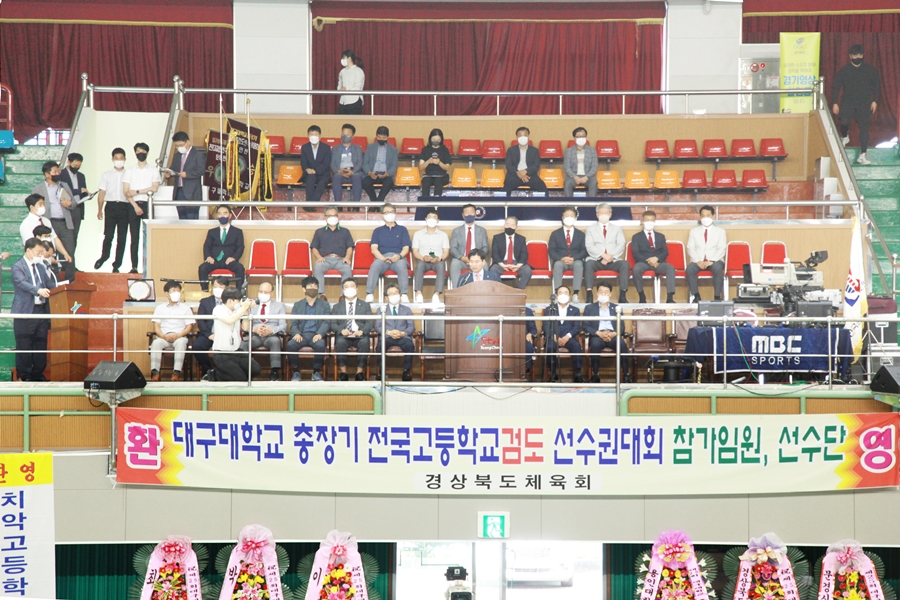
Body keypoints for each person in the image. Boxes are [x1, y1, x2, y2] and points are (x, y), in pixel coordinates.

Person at [11, 238, 53, 382]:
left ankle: (38, 374)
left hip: (41, 310)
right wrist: (38, 290)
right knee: (24, 344)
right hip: (25, 311)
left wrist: (63, 287)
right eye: (38, 252)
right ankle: (25, 375)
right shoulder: (18, 266)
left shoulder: (41, 267)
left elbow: (49, 284)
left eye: (42, 253)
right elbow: (22, 283)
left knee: (41, 343)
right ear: (28, 250)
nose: (40, 255)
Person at [832, 44, 881, 165]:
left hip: (864, 103)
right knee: (844, 122)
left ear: (863, 55)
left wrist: (875, 101)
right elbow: (836, 87)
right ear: (850, 56)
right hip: (847, 102)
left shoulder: (870, 69)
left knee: (864, 128)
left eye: (859, 55)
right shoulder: (844, 70)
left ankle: (863, 155)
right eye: (855, 55)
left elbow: (876, 86)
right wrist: (835, 103)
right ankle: (845, 136)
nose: (857, 57)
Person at [95, 148, 139, 273]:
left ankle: (117, 264)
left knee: (122, 237)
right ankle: (104, 257)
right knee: (108, 235)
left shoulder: (129, 174)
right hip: (111, 206)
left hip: (125, 207)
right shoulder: (106, 175)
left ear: (125, 159)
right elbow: (102, 193)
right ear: (112, 159)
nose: (119, 161)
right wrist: (99, 209)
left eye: (121, 158)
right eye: (116, 158)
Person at [32, 161, 77, 271]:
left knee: (69, 250)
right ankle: (54, 276)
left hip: (65, 223)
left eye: (58, 171)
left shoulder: (64, 185)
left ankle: (69, 277)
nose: (58, 174)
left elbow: (74, 202)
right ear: (47, 174)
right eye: (55, 172)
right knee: (50, 250)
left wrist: (70, 204)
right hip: (49, 223)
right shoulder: (38, 189)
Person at [122, 142, 160, 273]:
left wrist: (137, 191)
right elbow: (126, 192)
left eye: (143, 151)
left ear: (147, 153)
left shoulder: (153, 170)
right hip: (133, 205)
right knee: (134, 237)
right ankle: (134, 266)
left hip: (148, 204)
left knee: (149, 237)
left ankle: (149, 266)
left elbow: (155, 188)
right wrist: (135, 206)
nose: (141, 153)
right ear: (135, 153)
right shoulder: (129, 171)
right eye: (138, 151)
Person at [208, 287, 260, 382]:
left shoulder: (237, 311)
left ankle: (227, 374)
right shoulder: (218, 309)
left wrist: (246, 311)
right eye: (238, 301)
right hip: (222, 354)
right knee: (241, 379)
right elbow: (229, 320)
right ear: (230, 301)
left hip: (237, 351)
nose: (240, 303)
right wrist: (242, 308)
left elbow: (245, 328)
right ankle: (215, 375)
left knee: (255, 369)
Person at [238, 281, 285, 381]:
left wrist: (271, 330)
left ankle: (274, 372)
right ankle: (245, 370)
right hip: (255, 335)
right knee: (244, 343)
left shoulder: (279, 306)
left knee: (275, 341)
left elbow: (283, 325)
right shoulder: (251, 305)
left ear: (271, 293)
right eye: (261, 291)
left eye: (266, 292)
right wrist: (254, 329)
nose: (263, 294)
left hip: (271, 336)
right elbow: (245, 324)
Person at [582, 281, 628, 383]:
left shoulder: (617, 308)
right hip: (597, 335)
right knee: (595, 345)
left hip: (613, 334)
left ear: (610, 294)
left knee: (621, 344)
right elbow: (585, 326)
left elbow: (621, 326)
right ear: (597, 293)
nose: (603, 294)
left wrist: (614, 333)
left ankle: (626, 375)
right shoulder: (589, 308)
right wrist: (598, 333)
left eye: (606, 292)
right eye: (601, 292)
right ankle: (595, 374)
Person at [149, 280, 195, 382]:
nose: (177, 293)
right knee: (155, 343)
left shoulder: (186, 308)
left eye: (178, 291)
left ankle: (176, 374)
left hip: (180, 336)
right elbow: (157, 327)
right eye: (174, 290)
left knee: (181, 343)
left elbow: (189, 327)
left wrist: (178, 335)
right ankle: (155, 373)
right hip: (164, 337)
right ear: (167, 293)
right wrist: (163, 336)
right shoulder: (160, 308)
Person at [286, 276, 330, 382]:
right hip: (301, 335)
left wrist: (320, 334)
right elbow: (294, 323)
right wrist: (296, 333)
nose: (313, 288)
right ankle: (296, 372)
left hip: (316, 334)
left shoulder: (324, 305)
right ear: (304, 289)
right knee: (291, 345)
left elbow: (327, 322)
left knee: (321, 345)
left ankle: (316, 372)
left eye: (315, 286)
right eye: (310, 286)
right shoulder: (298, 305)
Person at [585, 203, 630, 304]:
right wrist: (602, 255)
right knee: (588, 264)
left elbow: (621, 244)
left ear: (610, 214)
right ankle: (589, 295)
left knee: (625, 264)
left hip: (613, 260)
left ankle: (623, 295)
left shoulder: (617, 228)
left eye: (606, 213)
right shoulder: (590, 229)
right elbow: (589, 246)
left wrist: (610, 257)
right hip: (597, 260)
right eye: (601, 213)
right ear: (597, 214)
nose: (604, 215)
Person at [366, 204, 411, 302]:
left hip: (398, 258)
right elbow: (374, 249)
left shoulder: (402, 229)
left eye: (392, 212)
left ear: (395, 213)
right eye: (387, 212)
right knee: (375, 266)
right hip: (382, 258)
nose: (390, 214)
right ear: (382, 215)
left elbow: (406, 248)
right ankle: (370, 294)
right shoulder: (377, 231)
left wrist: (399, 256)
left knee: (402, 266)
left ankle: (404, 294)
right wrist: (382, 258)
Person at [20, 194, 72, 277]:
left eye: (43, 204)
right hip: (38, 262)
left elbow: (54, 238)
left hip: (51, 259)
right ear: (32, 207)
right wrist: (46, 257)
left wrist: (65, 253)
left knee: (55, 283)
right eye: (40, 204)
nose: (43, 206)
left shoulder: (46, 221)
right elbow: (32, 245)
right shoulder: (26, 224)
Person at [331, 278, 372, 381]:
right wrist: (341, 330)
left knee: (364, 343)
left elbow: (369, 322)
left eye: (352, 286)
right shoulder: (337, 307)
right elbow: (332, 323)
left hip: (360, 334)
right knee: (340, 343)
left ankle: (359, 373)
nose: (349, 288)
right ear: (343, 290)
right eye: (346, 287)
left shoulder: (365, 305)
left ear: (357, 289)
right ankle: (343, 373)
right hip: (344, 335)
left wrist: (362, 331)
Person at [631, 210, 676, 304]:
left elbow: (665, 252)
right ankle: (641, 296)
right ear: (642, 221)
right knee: (636, 269)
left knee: (670, 268)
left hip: (658, 263)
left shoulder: (660, 236)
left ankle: (670, 297)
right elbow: (636, 253)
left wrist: (656, 259)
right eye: (647, 220)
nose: (649, 222)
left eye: (651, 220)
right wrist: (649, 261)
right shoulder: (636, 237)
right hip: (643, 262)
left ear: (655, 221)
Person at [373, 283, 415, 381]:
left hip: (402, 337)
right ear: (386, 298)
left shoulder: (407, 310)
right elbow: (377, 326)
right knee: (380, 346)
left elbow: (411, 326)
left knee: (409, 345)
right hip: (388, 336)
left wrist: (403, 333)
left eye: (396, 293)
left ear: (400, 295)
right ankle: (381, 372)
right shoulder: (381, 310)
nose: (394, 295)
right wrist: (388, 332)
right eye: (391, 294)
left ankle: (406, 372)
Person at [198, 205, 245, 291]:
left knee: (240, 268)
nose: (222, 216)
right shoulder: (212, 232)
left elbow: (240, 247)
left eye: (225, 213)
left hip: (229, 261)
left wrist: (234, 258)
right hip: (215, 261)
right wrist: (208, 257)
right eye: (219, 214)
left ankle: (238, 292)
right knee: (202, 268)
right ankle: (205, 291)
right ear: (217, 216)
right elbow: (207, 245)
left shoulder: (237, 232)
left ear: (230, 215)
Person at [686, 205, 727, 302]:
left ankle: (717, 297)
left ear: (712, 216)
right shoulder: (693, 231)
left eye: (708, 215)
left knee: (717, 268)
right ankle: (696, 296)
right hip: (698, 260)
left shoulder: (720, 232)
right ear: (700, 217)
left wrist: (711, 261)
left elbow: (722, 248)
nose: (705, 218)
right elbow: (690, 247)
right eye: (703, 216)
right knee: (689, 269)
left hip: (715, 260)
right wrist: (698, 261)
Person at [543, 285, 583, 383]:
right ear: (556, 296)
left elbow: (576, 327)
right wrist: (554, 336)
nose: (563, 295)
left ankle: (577, 373)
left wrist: (567, 336)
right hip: (553, 337)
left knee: (576, 346)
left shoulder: (575, 310)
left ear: (569, 296)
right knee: (549, 347)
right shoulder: (550, 309)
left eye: (566, 293)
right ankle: (553, 373)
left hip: (569, 337)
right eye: (560, 293)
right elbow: (545, 326)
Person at [163, 131, 207, 220]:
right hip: (179, 191)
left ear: (188, 142)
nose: (179, 148)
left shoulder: (197, 155)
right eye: (177, 146)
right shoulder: (177, 155)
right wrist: (169, 174)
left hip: (192, 192)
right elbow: (173, 168)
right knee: (181, 218)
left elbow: (201, 170)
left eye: (181, 145)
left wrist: (187, 174)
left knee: (191, 218)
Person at [549, 207, 586, 303]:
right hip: (561, 261)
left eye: (571, 216)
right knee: (557, 265)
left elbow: (584, 251)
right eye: (567, 216)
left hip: (575, 260)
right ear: (562, 218)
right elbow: (551, 251)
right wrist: (561, 258)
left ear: (575, 218)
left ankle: (575, 294)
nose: (569, 218)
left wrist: (574, 258)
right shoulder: (555, 234)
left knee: (579, 264)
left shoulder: (581, 234)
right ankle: (557, 293)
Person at [311, 207, 354, 292]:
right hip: (325, 260)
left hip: (340, 260)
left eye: (335, 215)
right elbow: (314, 247)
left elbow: (350, 247)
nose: (333, 217)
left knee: (347, 269)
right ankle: (321, 295)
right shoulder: (319, 232)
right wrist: (319, 257)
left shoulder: (345, 231)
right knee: (318, 267)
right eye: (330, 216)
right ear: (325, 217)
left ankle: (344, 295)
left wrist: (347, 257)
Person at [412, 209, 449, 304]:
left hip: (437, 260)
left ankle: (436, 294)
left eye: (434, 217)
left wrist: (439, 258)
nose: (432, 219)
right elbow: (415, 251)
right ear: (425, 219)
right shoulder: (418, 234)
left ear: (438, 220)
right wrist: (423, 258)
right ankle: (419, 294)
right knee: (419, 266)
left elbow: (446, 252)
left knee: (441, 265)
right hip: (423, 260)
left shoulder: (443, 235)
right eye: (429, 217)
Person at [195, 277, 229, 379]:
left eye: (221, 287)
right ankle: (208, 371)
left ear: (226, 288)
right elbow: (201, 321)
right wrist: (209, 335)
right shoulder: (205, 302)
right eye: (215, 286)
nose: (217, 289)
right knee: (197, 346)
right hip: (208, 334)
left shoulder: (230, 302)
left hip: (225, 335)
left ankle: (224, 374)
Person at [449, 204, 488, 287]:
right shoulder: (456, 231)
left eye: (471, 212)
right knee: (454, 263)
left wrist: (477, 257)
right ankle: (457, 291)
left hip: (477, 259)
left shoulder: (482, 231)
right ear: (463, 215)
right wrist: (462, 258)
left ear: (475, 214)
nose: (469, 214)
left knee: (484, 264)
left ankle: (482, 290)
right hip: (461, 260)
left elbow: (485, 247)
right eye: (467, 212)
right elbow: (453, 248)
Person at [489, 216, 532, 289]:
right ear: (504, 225)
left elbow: (524, 254)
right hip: (501, 263)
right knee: (493, 270)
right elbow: (495, 253)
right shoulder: (497, 238)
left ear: (516, 227)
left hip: (516, 263)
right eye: (507, 224)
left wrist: (518, 266)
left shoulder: (521, 239)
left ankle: (519, 290)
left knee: (527, 270)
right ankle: (499, 290)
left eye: (512, 225)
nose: (509, 227)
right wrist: (503, 265)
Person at [60, 152, 89, 254]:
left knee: (74, 236)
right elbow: (62, 190)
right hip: (65, 208)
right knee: (65, 236)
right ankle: (64, 258)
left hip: (77, 208)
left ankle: (71, 259)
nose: (77, 167)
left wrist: (87, 195)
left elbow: (83, 191)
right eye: (75, 165)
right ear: (69, 162)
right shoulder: (61, 174)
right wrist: (79, 191)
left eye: (79, 166)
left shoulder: (81, 176)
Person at [504, 127, 546, 194]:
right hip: (514, 175)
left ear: (528, 137)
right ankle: (504, 201)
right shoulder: (511, 150)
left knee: (542, 187)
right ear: (517, 138)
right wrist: (518, 173)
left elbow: (536, 166)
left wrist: (525, 171)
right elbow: (508, 165)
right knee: (507, 186)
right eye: (520, 135)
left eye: (525, 135)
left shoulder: (534, 151)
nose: (522, 137)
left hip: (530, 176)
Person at [330, 124, 364, 208]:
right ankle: (338, 205)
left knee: (357, 176)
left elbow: (360, 162)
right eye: (343, 133)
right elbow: (332, 163)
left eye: (348, 134)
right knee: (336, 176)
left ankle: (356, 206)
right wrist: (338, 171)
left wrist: (353, 171)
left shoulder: (358, 148)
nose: (345, 135)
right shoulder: (335, 149)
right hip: (340, 171)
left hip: (353, 171)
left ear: (352, 136)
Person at [362, 126, 398, 204]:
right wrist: (370, 173)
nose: (381, 139)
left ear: (387, 137)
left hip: (386, 174)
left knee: (389, 182)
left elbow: (394, 166)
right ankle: (375, 201)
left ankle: (378, 202)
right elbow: (365, 163)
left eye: (384, 138)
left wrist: (387, 174)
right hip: (372, 173)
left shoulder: (393, 150)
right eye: (379, 137)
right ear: (376, 136)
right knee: (365, 182)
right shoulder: (370, 147)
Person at [300, 125, 333, 209]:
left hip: (323, 174)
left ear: (320, 136)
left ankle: (310, 205)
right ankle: (310, 205)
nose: (313, 137)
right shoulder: (305, 147)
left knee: (322, 182)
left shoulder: (326, 148)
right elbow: (303, 162)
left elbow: (326, 163)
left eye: (316, 135)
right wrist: (307, 169)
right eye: (311, 135)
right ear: (308, 136)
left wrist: (316, 171)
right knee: (310, 179)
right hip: (309, 173)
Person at [563, 127, 598, 197]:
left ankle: (592, 203)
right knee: (567, 183)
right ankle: (569, 203)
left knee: (594, 183)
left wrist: (586, 177)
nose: (581, 138)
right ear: (574, 138)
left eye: (583, 136)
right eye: (578, 136)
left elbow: (594, 167)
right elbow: (567, 167)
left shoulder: (592, 150)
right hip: (573, 177)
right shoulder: (569, 151)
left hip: (588, 176)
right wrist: (575, 177)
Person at [419, 129, 452, 197]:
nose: (436, 141)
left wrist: (439, 163)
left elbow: (447, 167)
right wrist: (428, 162)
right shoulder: (425, 150)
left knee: (438, 181)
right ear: (430, 138)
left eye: (438, 140)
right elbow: (421, 167)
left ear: (441, 139)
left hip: (442, 176)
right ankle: (425, 200)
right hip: (428, 175)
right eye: (434, 139)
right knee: (425, 181)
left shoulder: (445, 150)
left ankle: (437, 201)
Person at [337, 50, 365, 115]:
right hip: (343, 101)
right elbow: (339, 84)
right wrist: (340, 89)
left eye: (344, 58)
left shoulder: (358, 71)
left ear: (349, 58)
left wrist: (347, 90)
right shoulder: (342, 71)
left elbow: (358, 87)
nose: (342, 60)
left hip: (354, 101)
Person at [525, 306, 537, 376]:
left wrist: (530, 334)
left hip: (524, 337)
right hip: (507, 338)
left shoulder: (528, 311)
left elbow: (533, 329)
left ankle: (526, 370)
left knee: (529, 346)